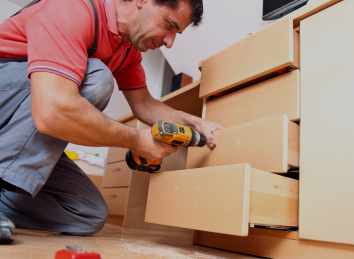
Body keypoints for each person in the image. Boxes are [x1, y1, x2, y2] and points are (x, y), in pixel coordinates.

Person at [0, 0, 223, 243]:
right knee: (97, 79)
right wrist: (137, 140)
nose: (170, 42)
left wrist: (197, 123)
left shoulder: (127, 49)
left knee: (88, 214)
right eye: (170, 26)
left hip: (16, 126)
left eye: (176, 34)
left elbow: (144, 105)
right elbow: (51, 111)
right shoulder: (72, 8)